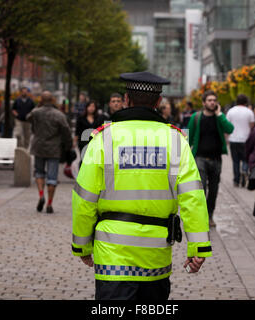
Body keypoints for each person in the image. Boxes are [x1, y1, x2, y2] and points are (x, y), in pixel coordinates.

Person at [71, 71, 211, 300]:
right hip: (155, 255)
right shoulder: (175, 140)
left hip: (112, 254)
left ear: (126, 100)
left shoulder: (103, 139)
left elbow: (84, 198)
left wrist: (82, 246)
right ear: (158, 102)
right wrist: (198, 247)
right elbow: (192, 197)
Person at [188, 90, 234, 228]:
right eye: (209, 100)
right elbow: (187, 137)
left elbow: (230, 129)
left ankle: (210, 216)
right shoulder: (196, 117)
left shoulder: (220, 118)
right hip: (200, 158)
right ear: (203, 103)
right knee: (201, 189)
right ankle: (201, 217)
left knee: (213, 190)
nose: (212, 102)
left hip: (216, 160)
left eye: (214, 100)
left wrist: (220, 114)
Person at [26, 91, 72, 214]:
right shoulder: (59, 115)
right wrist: (68, 146)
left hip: (38, 147)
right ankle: (49, 203)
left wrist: (38, 105)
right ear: (52, 100)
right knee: (52, 177)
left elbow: (27, 117)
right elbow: (66, 131)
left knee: (39, 172)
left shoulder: (36, 112)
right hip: (54, 149)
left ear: (41, 100)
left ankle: (41, 195)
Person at [226, 94, 255, 188]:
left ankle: (236, 180)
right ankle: (244, 171)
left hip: (233, 139)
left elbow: (227, 125)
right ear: (246, 102)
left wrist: (226, 138)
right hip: (245, 139)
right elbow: (252, 125)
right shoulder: (249, 112)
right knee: (245, 159)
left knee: (235, 161)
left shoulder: (231, 111)